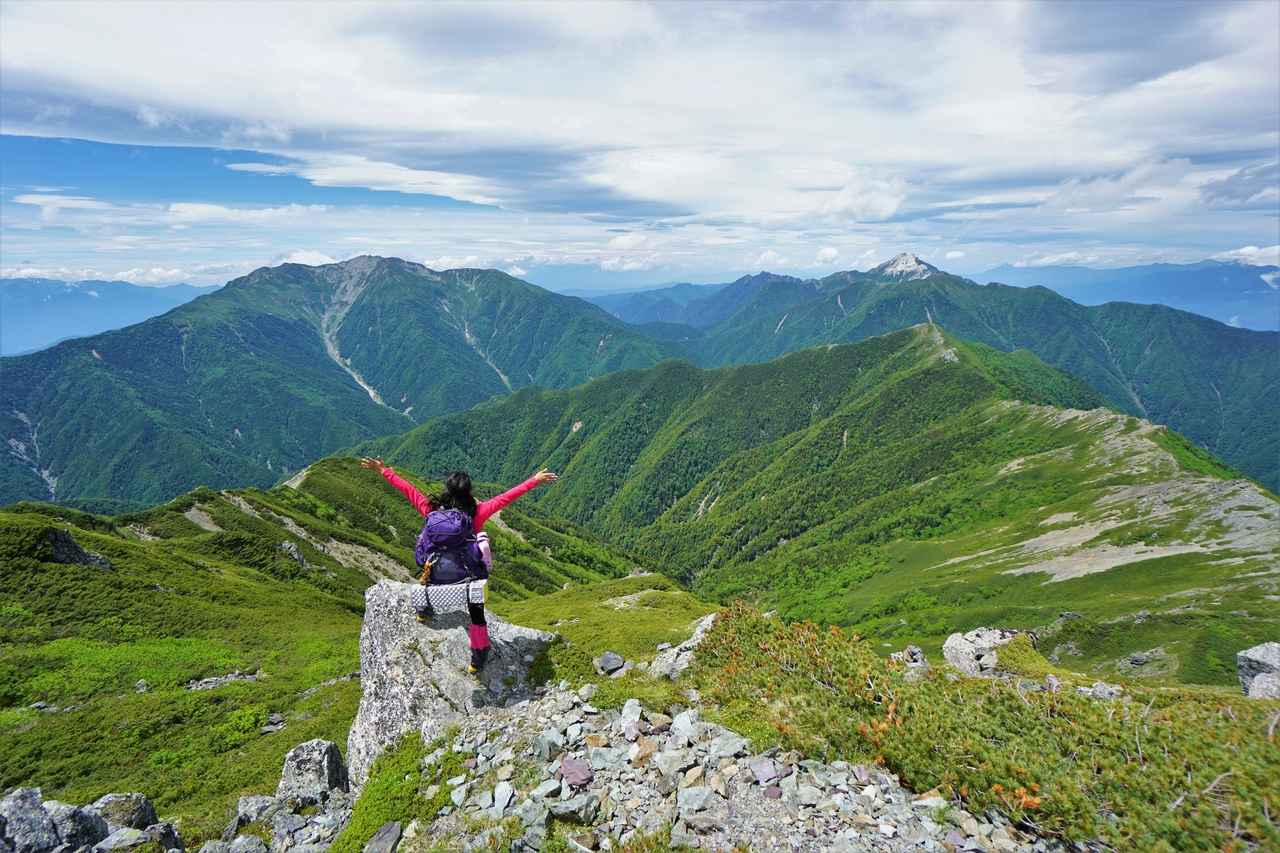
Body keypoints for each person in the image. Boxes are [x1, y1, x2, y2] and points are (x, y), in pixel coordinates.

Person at [360, 457, 558, 673]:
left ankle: (423, 610)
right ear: (469, 491)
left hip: (435, 575)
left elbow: (408, 489)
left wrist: (383, 470)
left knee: (428, 554)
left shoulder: (431, 510)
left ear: (447, 489)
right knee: (476, 609)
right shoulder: (477, 513)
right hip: (466, 578)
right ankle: (478, 656)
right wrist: (535, 480)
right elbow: (505, 498)